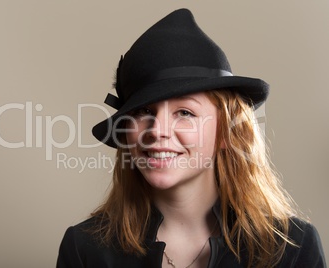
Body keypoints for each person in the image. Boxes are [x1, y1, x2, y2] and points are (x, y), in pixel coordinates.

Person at [56, 8, 326, 268]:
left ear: (227, 132)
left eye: (184, 112)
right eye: (143, 111)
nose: (157, 130)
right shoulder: (85, 250)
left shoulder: (293, 248)